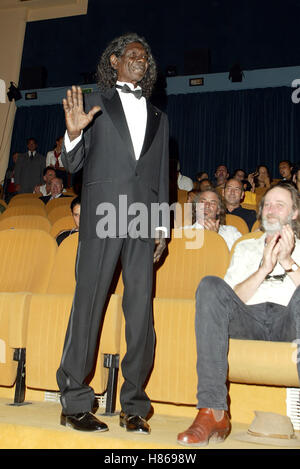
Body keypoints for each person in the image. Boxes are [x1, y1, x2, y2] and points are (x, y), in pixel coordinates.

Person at [56, 33, 169, 435]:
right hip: (102, 215)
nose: (141, 60)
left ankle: (134, 405)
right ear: (116, 61)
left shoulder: (160, 117)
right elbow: (73, 162)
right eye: (133, 55)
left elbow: (158, 176)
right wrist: (72, 134)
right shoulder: (95, 103)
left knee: (141, 314)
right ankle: (74, 401)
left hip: (142, 219)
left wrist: (161, 226)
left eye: (146, 57)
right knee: (88, 307)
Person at [177, 183, 300, 447]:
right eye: (267, 204)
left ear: (295, 213)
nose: (271, 210)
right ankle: (213, 411)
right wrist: (264, 269)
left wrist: (288, 262)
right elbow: (230, 301)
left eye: (280, 205)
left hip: (290, 320)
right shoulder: (245, 247)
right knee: (210, 285)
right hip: (249, 320)